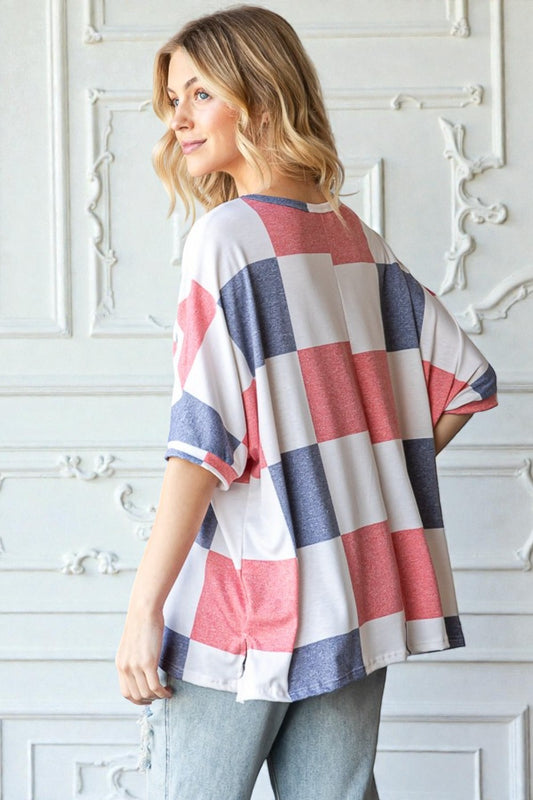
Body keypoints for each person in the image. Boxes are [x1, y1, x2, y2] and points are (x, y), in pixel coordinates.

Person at [115, 6, 498, 799]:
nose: (177, 118)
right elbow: (465, 381)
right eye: (172, 100)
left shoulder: (225, 238)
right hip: (354, 586)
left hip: (251, 593)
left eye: (197, 93)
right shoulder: (351, 234)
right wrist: (364, 484)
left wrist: (142, 608)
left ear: (257, 97)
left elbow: (201, 446)